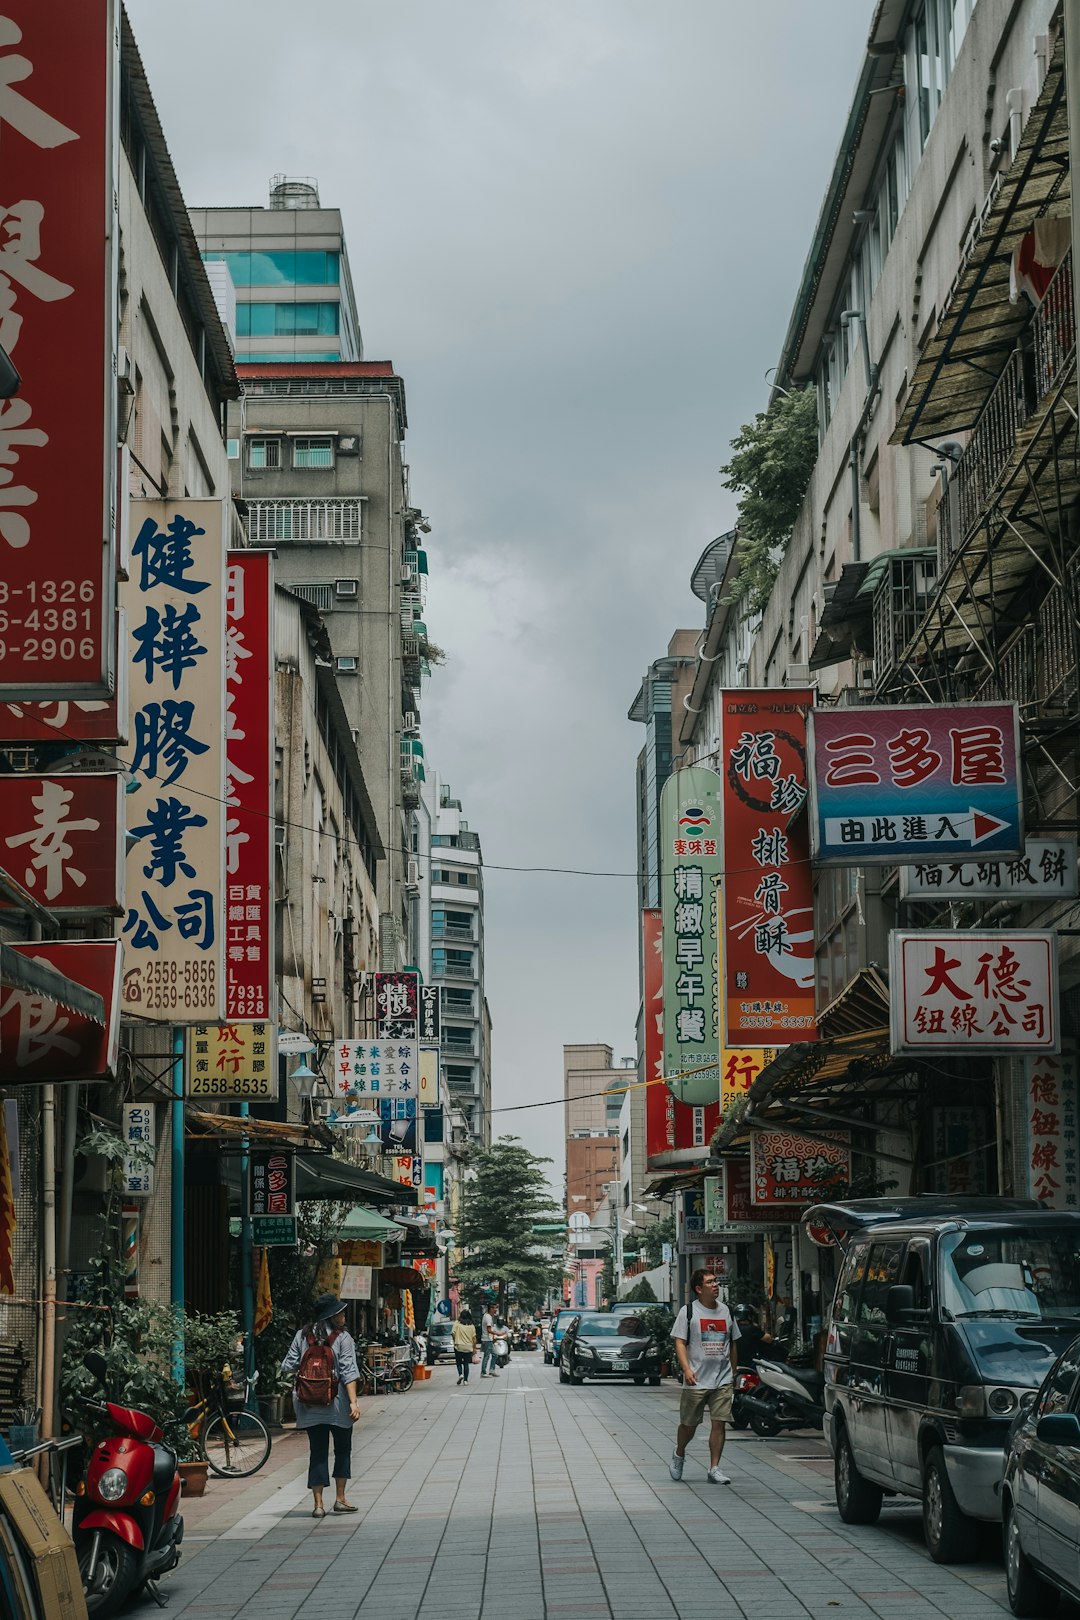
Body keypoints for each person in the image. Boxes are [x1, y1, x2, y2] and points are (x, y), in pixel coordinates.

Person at [281, 1294, 362, 1518]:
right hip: (338, 1404)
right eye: (340, 1312)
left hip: (309, 1404)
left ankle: (318, 1505)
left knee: (317, 1453)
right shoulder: (343, 1338)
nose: (344, 1315)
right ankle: (340, 1499)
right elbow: (348, 1372)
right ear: (332, 1316)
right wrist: (353, 1402)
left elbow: (287, 1365)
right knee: (343, 1450)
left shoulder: (301, 1335)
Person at [669, 1270, 740, 1485]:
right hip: (696, 1378)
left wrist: (733, 1371)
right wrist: (686, 1369)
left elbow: (733, 1342)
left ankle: (714, 1468)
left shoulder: (726, 1311)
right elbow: (680, 1342)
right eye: (710, 1282)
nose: (716, 1285)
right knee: (689, 1425)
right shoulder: (688, 1311)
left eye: (716, 1281)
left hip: (723, 1377)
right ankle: (679, 1452)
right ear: (699, 1289)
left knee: (719, 1423)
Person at [452, 1309, 477, 1384]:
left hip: (458, 1346)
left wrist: (455, 1340)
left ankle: (460, 1374)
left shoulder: (457, 1323)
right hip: (468, 1347)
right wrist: (474, 1348)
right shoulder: (471, 1326)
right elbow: (474, 1338)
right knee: (466, 1363)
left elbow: (453, 1333)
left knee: (459, 1362)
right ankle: (465, 1380)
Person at [480, 1304, 498, 1378]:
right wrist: (498, 1333)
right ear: (490, 1309)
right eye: (494, 1308)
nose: (495, 1310)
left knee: (495, 1354)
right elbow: (489, 1330)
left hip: (489, 1339)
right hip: (487, 1339)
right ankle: (483, 1372)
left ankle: (491, 1370)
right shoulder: (487, 1317)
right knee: (486, 1356)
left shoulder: (489, 1316)